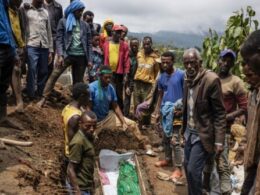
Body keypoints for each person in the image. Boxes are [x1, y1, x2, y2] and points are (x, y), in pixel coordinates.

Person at [182, 48, 226, 195]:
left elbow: (220, 112)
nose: (189, 66)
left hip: (203, 133)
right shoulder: (187, 79)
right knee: (187, 165)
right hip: (189, 132)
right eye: (186, 63)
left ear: (200, 62)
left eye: (192, 63)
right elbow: (187, 106)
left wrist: (219, 141)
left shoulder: (211, 80)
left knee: (193, 170)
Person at [203, 49, 248, 194]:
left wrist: (225, 117)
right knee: (206, 161)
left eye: (229, 61)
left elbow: (244, 107)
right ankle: (206, 189)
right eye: (223, 59)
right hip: (207, 127)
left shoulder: (236, 82)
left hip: (224, 129)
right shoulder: (210, 78)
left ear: (232, 64)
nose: (225, 63)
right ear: (218, 60)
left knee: (222, 164)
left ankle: (225, 191)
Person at [37, 0, 92, 107]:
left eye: (82, 11)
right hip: (67, 55)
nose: (81, 13)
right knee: (54, 75)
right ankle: (44, 98)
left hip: (81, 57)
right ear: (73, 10)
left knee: (78, 82)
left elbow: (89, 44)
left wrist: (89, 60)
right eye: (79, 11)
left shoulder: (85, 25)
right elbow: (59, 39)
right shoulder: (63, 21)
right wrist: (60, 55)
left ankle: (75, 104)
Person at [88, 65, 151, 152]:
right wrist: (92, 126)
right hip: (95, 121)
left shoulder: (110, 88)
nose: (109, 80)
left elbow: (115, 106)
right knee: (90, 141)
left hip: (108, 117)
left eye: (110, 77)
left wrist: (123, 122)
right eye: (106, 78)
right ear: (100, 76)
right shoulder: (91, 88)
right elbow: (88, 109)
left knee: (132, 125)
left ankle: (143, 144)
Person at [152, 51, 185, 181]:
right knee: (165, 138)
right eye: (163, 61)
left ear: (173, 61)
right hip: (165, 111)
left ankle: (178, 168)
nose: (165, 64)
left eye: (168, 62)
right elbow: (160, 95)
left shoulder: (181, 75)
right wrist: (157, 111)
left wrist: (183, 110)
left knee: (175, 140)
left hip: (177, 112)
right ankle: (167, 159)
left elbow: (186, 94)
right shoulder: (162, 77)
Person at [240, 30, 260, 195]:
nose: (247, 65)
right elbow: (250, 127)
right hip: (252, 163)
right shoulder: (254, 93)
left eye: (248, 60)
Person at [22, 0, 53, 100]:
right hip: (31, 44)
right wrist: (24, 45)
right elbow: (23, 28)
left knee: (44, 71)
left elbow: (49, 31)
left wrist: (51, 50)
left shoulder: (45, 12)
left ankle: (40, 93)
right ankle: (30, 94)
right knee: (32, 69)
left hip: (44, 46)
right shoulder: (26, 10)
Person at [66, 110, 97, 195]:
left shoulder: (87, 137)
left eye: (94, 126)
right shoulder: (78, 142)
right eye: (88, 126)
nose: (92, 129)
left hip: (86, 186)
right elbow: (70, 169)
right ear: (80, 124)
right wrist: (77, 190)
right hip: (80, 188)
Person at [134, 36, 160, 128]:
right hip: (137, 83)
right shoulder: (139, 54)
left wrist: (154, 85)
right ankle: (138, 122)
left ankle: (146, 124)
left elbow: (157, 72)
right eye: (144, 44)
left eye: (148, 44)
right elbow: (136, 67)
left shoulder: (155, 57)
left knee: (146, 104)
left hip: (148, 84)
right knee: (137, 103)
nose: (146, 46)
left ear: (151, 44)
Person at [102, 24, 130, 111]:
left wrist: (126, 74)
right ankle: (109, 110)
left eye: (120, 32)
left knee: (118, 93)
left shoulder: (124, 45)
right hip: (108, 73)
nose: (119, 34)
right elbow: (103, 57)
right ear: (113, 32)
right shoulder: (106, 44)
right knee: (108, 92)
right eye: (117, 32)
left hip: (119, 73)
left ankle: (119, 111)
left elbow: (126, 60)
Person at [61, 82, 90, 158]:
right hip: (76, 154)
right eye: (88, 95)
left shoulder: (68, 107)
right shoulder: (75, 117)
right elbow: (73, 141)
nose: (89, 98)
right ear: (82, 96)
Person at [0, 0, 17, 124]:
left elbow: (7, 26)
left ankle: (3, 118)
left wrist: (14, 51)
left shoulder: (5, 4)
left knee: (3, 85)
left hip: (8, 47)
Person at [8, 0, 26, 112]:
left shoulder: (19, 11)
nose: (20, 2)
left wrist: (23, 44)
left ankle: (18, 100)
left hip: (18, 45)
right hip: (7, 44)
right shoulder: (5, 10)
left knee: (16, 71)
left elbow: (22, 28)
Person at [43, 0, 63, 78]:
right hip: (41, 36)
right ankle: (36, 86)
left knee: (50, 63)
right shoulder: (39, 3)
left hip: (53, 37)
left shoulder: (58, 7)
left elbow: (60, 24)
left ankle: (46, 86)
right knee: (39, 62)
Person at [124, 37, 139, 117]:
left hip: (138, 81)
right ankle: (125, 116)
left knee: (137, 101)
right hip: (129, 81)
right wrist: (127, 86)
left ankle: (137, 116)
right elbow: (126, 72)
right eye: (132, 45)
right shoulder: (128, 57)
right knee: (127, 100)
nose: (134, 47)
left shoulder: (140, 56)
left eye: (136, 46)